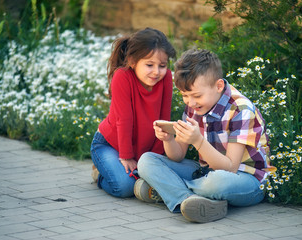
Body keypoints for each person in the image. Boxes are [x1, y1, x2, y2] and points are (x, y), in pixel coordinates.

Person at [134, 49, 276, 222]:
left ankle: (167, 190)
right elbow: (177, 156)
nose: (191, 102)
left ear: (218, 86)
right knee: (147, 160)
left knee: (217, 182)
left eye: (196, 96)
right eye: (185, 95)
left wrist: (198, 142)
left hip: (246, 179)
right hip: (205, 172)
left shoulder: (241, 109)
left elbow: (230, 168)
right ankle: (189, 201)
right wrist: (168, 139)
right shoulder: (195, 106)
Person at [90, 27, 176, 198]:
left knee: (152, 176)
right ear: (132, 61)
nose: (156, 72)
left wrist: (154, 159)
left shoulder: (165, 78)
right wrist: (127, 156)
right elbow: (124, 120)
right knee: (124, 187)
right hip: (111, 145)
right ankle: (99, 174)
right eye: (149, 65)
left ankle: (120, 170)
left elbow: (164, 120)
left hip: (142, 148)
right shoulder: (122, 77)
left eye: (162, 65)